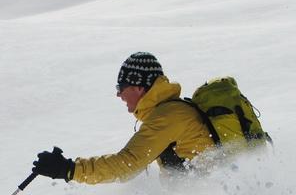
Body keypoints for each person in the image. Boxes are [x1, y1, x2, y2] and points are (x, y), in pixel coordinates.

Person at [32, 52, 217, 184]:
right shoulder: (169, 113)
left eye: (120, 87)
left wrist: (70, 169)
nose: (118, 94)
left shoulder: (168, 117)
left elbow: (127, 164)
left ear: (138, 86)